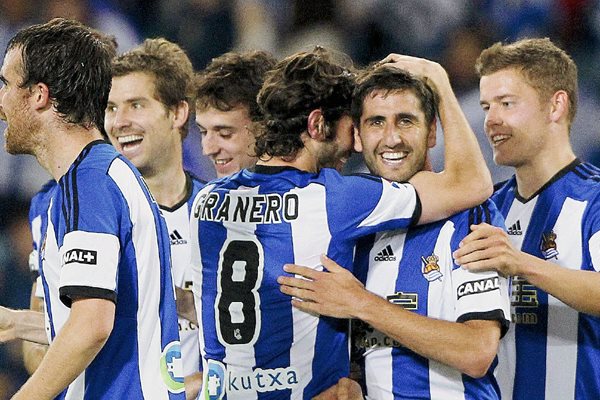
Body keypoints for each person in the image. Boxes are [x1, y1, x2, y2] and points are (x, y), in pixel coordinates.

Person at [189, 46, 492, 399]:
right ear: (318, 124)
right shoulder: (336, 200)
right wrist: (439, 80)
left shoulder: (205, 201)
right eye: (353, 126)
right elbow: (473, 183)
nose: (353, 145)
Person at [278, 62, 511, 399]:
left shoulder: (469, 217)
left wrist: (362, 303)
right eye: (376, 122)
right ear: (357, 136)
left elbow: (476, 351)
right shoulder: (353, 230)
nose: (392, 138)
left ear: (432, 132)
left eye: (406, 120)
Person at [0, 18, 183, 399]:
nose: (1, 102)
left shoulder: (91, 183)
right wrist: (20, 323)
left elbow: (91, 326)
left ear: (39, 95)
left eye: (5, 84)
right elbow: (118, 319)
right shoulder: (95, 177)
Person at [453, 38, 600, 399]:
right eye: (487, 106)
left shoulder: (593, 198)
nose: (491, 120)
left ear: (556, 106)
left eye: (507, 103)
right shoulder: (486, 208)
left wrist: (521, 263)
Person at [105, 37, 204, 399]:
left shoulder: (218, 212)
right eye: (112, 108)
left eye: (136, 105)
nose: (119, 122)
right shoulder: (98, 218)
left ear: (178, 113)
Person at [194, 50, 277, 178]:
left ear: (264, 129)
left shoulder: (312, 193)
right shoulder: (206, 195)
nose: (208, 150)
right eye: (203, 132)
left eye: (224, 134)